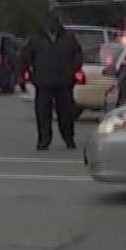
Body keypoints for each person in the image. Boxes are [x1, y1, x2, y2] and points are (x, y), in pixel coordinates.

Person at [19, 12, 84, 151]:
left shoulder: (69, 37)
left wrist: (71, 72)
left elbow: (78, 56)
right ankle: (44, 140)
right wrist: (28, 76)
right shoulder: (36, 38)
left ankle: (69, 139)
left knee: (66, 113)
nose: (52, 26)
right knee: (43, 113)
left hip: (64, 83)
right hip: (43, 83)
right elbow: (25, 58)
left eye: (55, 22)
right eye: (50, 23)